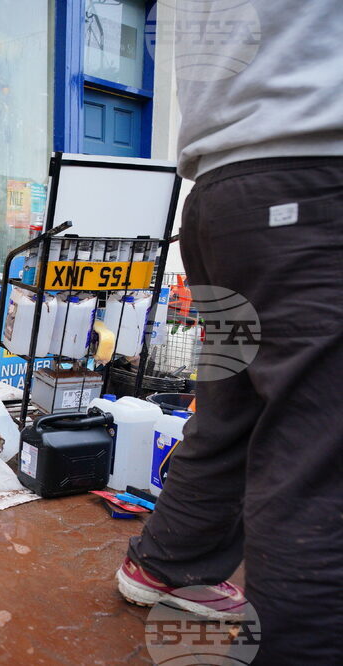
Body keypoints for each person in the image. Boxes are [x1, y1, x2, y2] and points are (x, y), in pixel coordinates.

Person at [115, 3, 343, 664]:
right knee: (319, 450)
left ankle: (167, 564)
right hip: (317, 173)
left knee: (233, 407)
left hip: (222, 194)